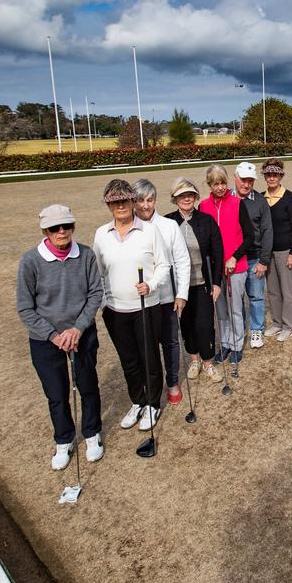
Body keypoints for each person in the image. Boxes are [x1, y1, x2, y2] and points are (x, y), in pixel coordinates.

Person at [17, 204, 104, 469]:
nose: (62, 232)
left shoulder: (86, 254)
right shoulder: (30, 260)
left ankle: (91, 433)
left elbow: (95, 294)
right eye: (55, 228)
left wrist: (77, 328)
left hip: (82, 334)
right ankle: (63, 439)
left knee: (88, 386)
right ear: (45, 230)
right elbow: (25, 308)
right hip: (46, 340)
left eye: (67, 226)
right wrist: (55, 336)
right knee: (56, 393)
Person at [93, 179, 169, 433]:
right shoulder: (101, 235)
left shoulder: (148, 230)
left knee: (149, 358)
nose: (120, 206)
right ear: (109, 205)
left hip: (146, 307)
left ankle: (153, 404)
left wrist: (151, 284)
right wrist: (104, 302)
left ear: (132, 201)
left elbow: (163, 265)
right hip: (115, 311)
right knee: (129, 360)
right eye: (114, 202)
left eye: (124, 200)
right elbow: (98, 272)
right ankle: (138, 401)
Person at [133, 179, 191, 405]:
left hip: (167, 297)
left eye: (150, 200)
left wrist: (182, 294)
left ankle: (173, 381)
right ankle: (151, 385)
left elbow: (182, 260)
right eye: (140, 200)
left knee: (170, 342)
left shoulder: (168, 226)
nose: (145, 206)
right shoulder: (129, 227)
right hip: (141, 301)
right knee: (146, 346)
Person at [166, 177, 224, 382]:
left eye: (190, 195)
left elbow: (218, 252)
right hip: (179, 288)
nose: (186, 198)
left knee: (205, 325)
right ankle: (194, 360)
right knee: (187, 324)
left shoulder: (206, 220)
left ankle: (208, 362)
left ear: (195, 197)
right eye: (182, 195)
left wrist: (216, 282)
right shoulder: (168, 222)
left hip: (202, 284)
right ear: (175, 198)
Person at [199, 165, 254, 364]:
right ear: (209, 185)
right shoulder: (204, 206)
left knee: (235, 309)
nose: (220, 187)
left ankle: (237, 344)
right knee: (221, 311)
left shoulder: (238, 204)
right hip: (215, 269)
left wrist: (234, 257)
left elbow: (249, 237)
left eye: (223, 183)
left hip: (236, 267)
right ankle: (226, 344)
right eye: (216, 184)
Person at [232, 161, 273, 349]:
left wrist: (264, 261)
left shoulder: (260, 201)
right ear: (235, 177)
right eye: (243, 180)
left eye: (250, 181)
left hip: (255, 258)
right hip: (234, 260)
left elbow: (267, 231)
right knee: (237, 298)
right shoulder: (227, 199)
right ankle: (239, 329)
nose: (246, 184)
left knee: (256, 296)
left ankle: (257, 329)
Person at [261, 158, 292, 342]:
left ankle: (288, 326)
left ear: (281, 176)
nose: (271, 178)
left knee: (287, 291)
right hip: (267, 253)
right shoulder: (262, 197)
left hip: (285, 251)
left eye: (275, 174)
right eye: (268, 174)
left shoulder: (289, 197)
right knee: (273, 291)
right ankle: (277, 323)